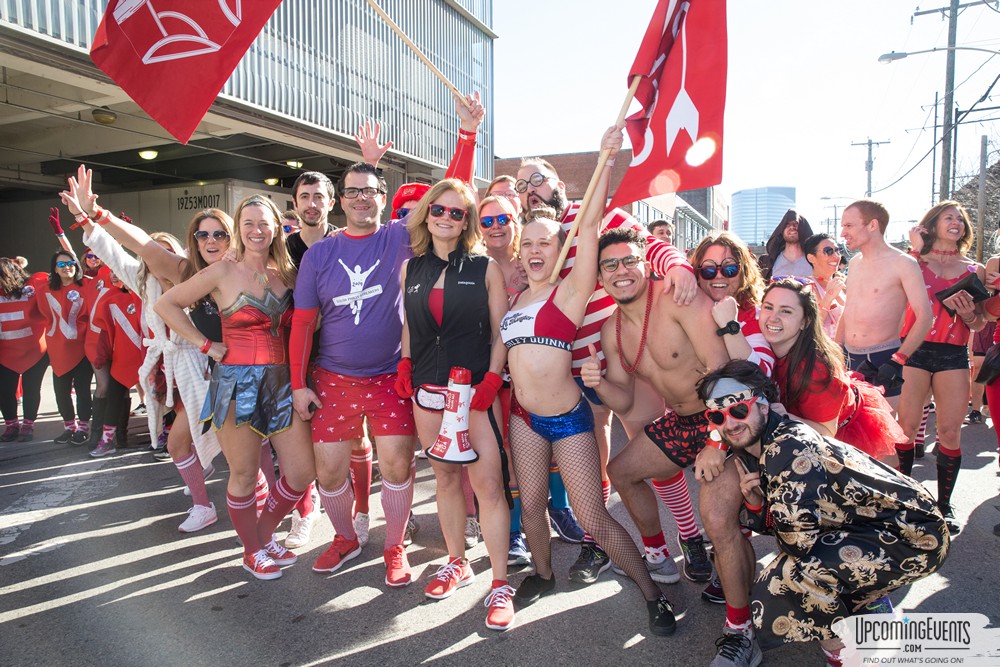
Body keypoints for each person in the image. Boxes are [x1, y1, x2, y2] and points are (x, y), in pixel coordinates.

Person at [505, 125, 678, 636]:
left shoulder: (568, 293)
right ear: (520, 251)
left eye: (546, 242)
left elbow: (590, 225)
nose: (536, 249)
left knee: (594, 517)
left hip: (567, 420)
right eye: (528, 243)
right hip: (522, 420)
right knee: (531, 507)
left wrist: (605, 159)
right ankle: (540, 573)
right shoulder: (515, 300)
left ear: (559, 250)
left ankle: (652, 594)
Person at [698, 360, 949, 667]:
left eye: (739, 410)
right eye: (717, 416)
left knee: (785, 581)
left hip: (914, 535)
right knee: (805, 566)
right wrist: (756, 505)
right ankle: (868, 621)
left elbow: (796, 543)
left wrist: (762, 508)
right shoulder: (762, 444)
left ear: (763, 406)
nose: (730, 423)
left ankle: (848, 656)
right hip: (879, 527)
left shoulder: (786, 448)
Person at [582, 227, 761, 656]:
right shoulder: (611, 330)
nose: (621, 271)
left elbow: (726, 372)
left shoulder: (678, 299)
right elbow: (624, 398)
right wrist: (600, 384)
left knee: (717, 519)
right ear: (600, 277)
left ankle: (741, 632)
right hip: (680, 420)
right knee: (622, 471)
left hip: (727, 416)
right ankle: (658, 555)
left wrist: (717, 441)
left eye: (629, 261)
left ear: (646, 262)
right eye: (610, 265)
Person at [62, 167, 230, 533]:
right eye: (156, 258)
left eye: (167, 253)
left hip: (217, 368)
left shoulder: (206, 277)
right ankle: (204, 504)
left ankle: (282, 504)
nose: (160, 262)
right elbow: (124, 249)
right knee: (185, 443)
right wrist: (88, 216)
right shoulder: (146, 283)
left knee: (242, 446)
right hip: (181, 371)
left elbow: (143, 245)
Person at [156, 193, 316, 579]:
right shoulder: (222, 271)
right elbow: (167, 304)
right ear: (238, 230)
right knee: (243, 474)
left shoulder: (288, 272)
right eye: (248, 223)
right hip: (235, 384)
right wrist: (205, 345)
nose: (256, 230)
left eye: (263, 223)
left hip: (282, 382)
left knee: (300, 472)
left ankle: (261, 536)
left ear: (276, 226)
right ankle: (252, 550)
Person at [288, 161, 419, 587]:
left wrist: (470, 136)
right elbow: (304, 324)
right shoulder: (320, 254)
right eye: (352, 191)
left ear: (384, 197)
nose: (361, 198)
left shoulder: (399, 237)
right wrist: (298, 384)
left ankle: (394, 544)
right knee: (328, 473)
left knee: (397, 467)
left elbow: (447, 191)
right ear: (340, 200)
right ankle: (345, 537)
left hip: (390, 375)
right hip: (333, 378)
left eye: (370, 190)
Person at [398, 178, 514, 630]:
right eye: (439, 210)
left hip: (474, 397)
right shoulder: (411, 269)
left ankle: (500, 583)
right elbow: (411, 326)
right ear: (427, 214)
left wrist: (491, 378)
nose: (446, 218)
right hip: (427, 394)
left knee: (487, 485)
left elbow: (501, 330)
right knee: (445, 481)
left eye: (457, 212)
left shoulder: (486, 268)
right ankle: (456, 561)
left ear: (467, 222)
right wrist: (406, 362)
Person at [896, 201, 986, 536]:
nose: (957, 222)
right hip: (914, 351)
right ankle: (904, 502)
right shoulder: (912, 262)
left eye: (961, 218)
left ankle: (944, 506)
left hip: (952, 355)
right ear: (931, 224)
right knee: (905, 429)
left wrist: (968, 316)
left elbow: (977, 323)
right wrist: (915, 251)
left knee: (949, 431)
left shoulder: (974, 269)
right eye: (949, 216)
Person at [759, 278, 904, 461]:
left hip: (846, 439)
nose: (773, 317)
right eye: (768, 307)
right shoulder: (762, 346)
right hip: (805, 436)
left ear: (805, 322)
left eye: (786, 311)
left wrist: (782, 416)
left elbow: (826, 433)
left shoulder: (817, 370)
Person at [838, 199, 932, 411]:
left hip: (883, 359)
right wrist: (836, 351)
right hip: (848, 357)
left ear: (873, 225)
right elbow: (848, 310)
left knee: (881, 438)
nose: (843, 233)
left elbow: (925, 317)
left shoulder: (903, 263)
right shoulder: (854, 263)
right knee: (848, 434)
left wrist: (897, 360)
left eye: (849, 226)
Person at [35, 250, 91, 445]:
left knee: (83, 389)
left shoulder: (88, 285)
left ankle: (83, 427)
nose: (66, 267)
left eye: (70, 263)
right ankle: (69, 427)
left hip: (83, 348)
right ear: (55, 269)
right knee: (61, 391)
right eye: (61, 264)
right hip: (58, 348)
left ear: (76, 266)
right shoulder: (44, 290)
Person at [88, 274, 147, 457]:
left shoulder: (148, 298)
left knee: (158, 399)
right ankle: (107, 440)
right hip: (121, 361)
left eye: (122, 272)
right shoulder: (111, 299)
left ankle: (163, 436)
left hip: (148, 359)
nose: (116, 276)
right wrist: (101, 354)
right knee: (113, 400)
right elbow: (106, 331)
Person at [0, 257, 48, 443]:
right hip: (5, 353)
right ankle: (11, 424)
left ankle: (28, 424)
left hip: (35, 350)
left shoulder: (31, 288)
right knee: (4, 390)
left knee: (31, 388)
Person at [801, 233, 846, 338]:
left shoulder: (841, 284)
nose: (836, 256)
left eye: (838, 250)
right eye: (828, 251)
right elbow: (808, 327)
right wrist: (828, 297)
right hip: (822, 351)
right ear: (811, 258)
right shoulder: (806, 286)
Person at [760, 209, 814, 280]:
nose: (792, 227)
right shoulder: (767, 263)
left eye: (796, 224)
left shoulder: (815, 262)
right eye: (787, 224)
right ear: (782, 230)